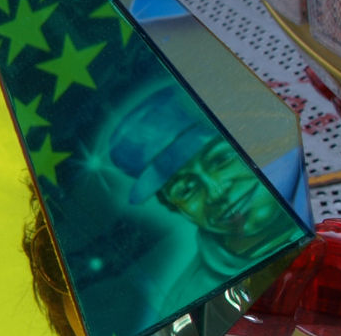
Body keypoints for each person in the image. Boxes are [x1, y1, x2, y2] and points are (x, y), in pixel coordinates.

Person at [108, 86, 295, 280]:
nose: (216, 193)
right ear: (173, 207)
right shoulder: (188, 293)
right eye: (185, 190)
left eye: (221, 159)